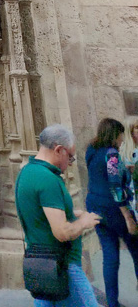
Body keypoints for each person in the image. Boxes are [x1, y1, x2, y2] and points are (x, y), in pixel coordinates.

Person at [15, 123, 102, 307]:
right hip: (62, 266)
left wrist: (70, 214)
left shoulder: (27, 172)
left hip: (41, 265)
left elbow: (38, 215)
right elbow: (62, 233)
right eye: (70, 157)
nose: (69, 164)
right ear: (59, 150)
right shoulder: (48, 179)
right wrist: (84, 222)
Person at [85, 117, 138, 307]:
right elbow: (115, 187)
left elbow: (100, 174)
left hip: (94, 205)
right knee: (136, 248)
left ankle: (111, 302)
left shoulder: (91, 150)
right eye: (121, 134)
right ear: (115, 134)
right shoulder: (112, 154)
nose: (123, 138)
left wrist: (125, 170)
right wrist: (128, 217)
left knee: (109, 255)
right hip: (113, 208)